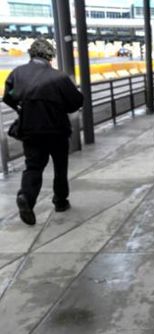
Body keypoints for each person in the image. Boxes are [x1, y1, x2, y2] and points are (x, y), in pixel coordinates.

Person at [3, 38, 83, 226]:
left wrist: (22, 108)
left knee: (33, 166)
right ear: (49, 57)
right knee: (60, 166)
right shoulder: (59, 77)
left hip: (30, 130)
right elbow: (76, 102)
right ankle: (60, 201)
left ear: (31, 54)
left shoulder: (17, 73)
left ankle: (26, 197)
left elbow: (9, 97)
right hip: (57, 130)